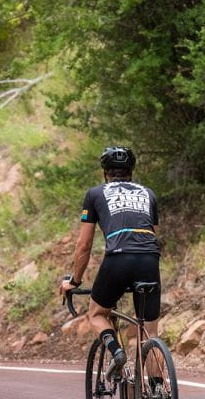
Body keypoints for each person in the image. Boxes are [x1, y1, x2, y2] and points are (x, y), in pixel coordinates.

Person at [58, 146, 161, 382]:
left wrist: (74, 281)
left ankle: (116, 352)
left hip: (118, 258)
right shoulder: (148, 194)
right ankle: (157, 396)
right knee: (150, 332)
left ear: (105, 172)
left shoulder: (95, 194)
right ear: (131, 171)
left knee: (96, 313)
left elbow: (84, 245)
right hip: (149, 259)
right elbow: (153, 235)